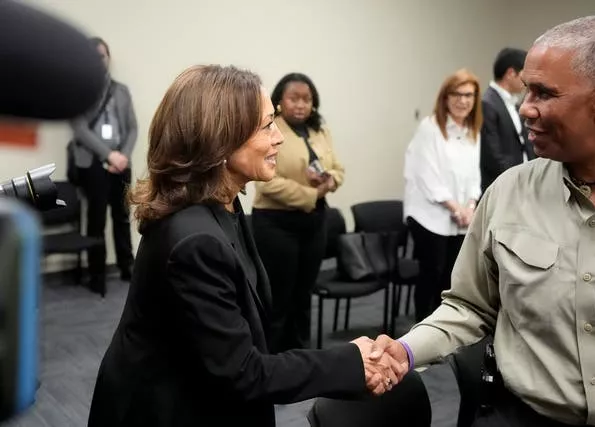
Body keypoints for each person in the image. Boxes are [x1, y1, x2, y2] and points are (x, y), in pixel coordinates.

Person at [87, 65, 406, 427]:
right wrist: (352, 361)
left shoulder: (224, 204)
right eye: (267, 125)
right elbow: (243, 372)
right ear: (222, 139)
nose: (279, 137)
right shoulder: (196, 240)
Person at [374, 16, 595, 427]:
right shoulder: (510, 192)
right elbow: (468, 305)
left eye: (544, 93)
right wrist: (405, 350)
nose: (525, 107)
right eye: (526, 88)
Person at [252, 73, 345, 353]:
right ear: (280, 100)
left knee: (304, 294)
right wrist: (312, 194)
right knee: (279, 296)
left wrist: (330, 181)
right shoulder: (269, 129)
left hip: (314, 221)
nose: (301, 105)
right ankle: (272, 357)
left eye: (307, 99)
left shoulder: (320, 129)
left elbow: (338, 168)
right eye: (294, 98)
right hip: (276, 223)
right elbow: (265, 182)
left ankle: (300, 353)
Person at [403, 68, 482, 322]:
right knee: (431, 276)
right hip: (430, 216)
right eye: (456, 94)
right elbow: (427, 176)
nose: (463, 101)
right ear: (445, 98)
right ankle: (420, 336)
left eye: (469, 95)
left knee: (452, 279)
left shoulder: (472, 130)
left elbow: (474, 175)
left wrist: (470, 206)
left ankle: (442, 335)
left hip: (460, 219)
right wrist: (456, 208)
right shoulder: (430, 127)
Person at [69, 37, 137, 294]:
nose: (100, 61)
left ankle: (126, 265)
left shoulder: (121, 90)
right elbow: (79, 128)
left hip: (121, 162)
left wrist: (124, 156)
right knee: (96, 219)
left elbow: (132, 127)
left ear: (109, 59)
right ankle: (96, 273)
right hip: (94, 163)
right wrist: (109, 155)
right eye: (94, 56)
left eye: (103, 56)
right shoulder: (80, 90)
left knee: (121, 217)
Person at [480, 48, 535, 192]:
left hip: (522, 181)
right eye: (524, 74)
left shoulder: (513, 103)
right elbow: (492, 155)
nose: (526, 81)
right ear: (511, 73)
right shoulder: (488, 104)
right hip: (504, 186)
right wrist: (516, 180)